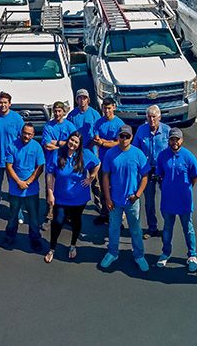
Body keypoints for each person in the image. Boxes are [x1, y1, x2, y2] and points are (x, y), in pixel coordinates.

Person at [99, 125, 151, 272]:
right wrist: (108, 199)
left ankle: (139, 255)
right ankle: (112, 253)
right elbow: (105, 176)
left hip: (132, 201)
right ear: (118, 137)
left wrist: (138, 194)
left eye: (127, 136)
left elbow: (145, 176)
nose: (124, 139)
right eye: (122, 136)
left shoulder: (138, 154)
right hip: (115, 200)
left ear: (131, 137)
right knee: (114, 228)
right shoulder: (110, 154)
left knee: (135, 229)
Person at [44, 131, 99, 263]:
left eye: (76, 142)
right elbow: (50, 174)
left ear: (79, 145)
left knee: (76, 221)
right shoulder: (57, 153)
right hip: (61, 196)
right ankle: (52, 248)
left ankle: (73, 245)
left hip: (79, 197)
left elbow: (97, 163)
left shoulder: (85, 154)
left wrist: (91, 177)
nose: (72, 144)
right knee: (57, 221)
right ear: (68, 140)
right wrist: (50, 193)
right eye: (71, 140)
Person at [154, 128, 197, 271]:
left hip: (184, 201)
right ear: (169, 140)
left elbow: (194, 177)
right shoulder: (162, 156)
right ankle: (166, 252)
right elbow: (159, 174)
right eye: (172, 139)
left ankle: (192, 255)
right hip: (167, 201)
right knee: (167, 228)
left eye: (177, 139)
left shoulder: (189, 157)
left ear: (182, 140)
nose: (175, 142)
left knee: (188, 229)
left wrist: (186, 189)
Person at [3, 124, 46, 253]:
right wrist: (18, 182)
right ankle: (9, 237)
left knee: (33, 217)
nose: (26, 136)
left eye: (29, 134)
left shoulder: (37, 147)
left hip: (31, 189)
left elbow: (40, 167)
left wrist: (28, 182)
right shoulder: (12, 145)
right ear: (21, 132)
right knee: (12, 215)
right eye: (25, 133)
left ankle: (35, 239)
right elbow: (9, 166)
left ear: (33, 135)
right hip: (15, 189)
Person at [134, 105, 171, 240]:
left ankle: (167, 227)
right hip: (147, 171)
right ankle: (152, 227)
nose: (151, 119)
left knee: (166, 199)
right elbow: (135, 150)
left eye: (154, 116)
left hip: (163, 170)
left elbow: (173, 150)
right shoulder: (141, 130)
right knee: (149, 201)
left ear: (159, 117)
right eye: (149, 117)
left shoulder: (167, 131)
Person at [66, 89, 102, 217]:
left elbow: (98, 133)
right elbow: (69, 133)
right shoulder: (72, 115)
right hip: (76, 151)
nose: (82, 100)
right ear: (76, 100)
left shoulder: (94, 114)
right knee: (75, 178)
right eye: (79, 98)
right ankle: (75, 203)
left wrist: (92, 143)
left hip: (91, 151)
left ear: (88, 99)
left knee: (95, 180)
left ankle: (99, 204)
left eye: (84, 98)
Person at [90, 98, 125, 226]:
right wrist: (106, 142)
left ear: (114, 107)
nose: (107, 111)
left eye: (109, 108)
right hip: (103, 160)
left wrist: (105, 143)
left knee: (115, 188)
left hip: (116, 161)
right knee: (104, 189)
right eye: (105, 108)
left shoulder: (119, 124)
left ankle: (117, 217)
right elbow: (97, 138)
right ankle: (104, 213)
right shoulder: (99, 122)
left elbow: (119, 143)